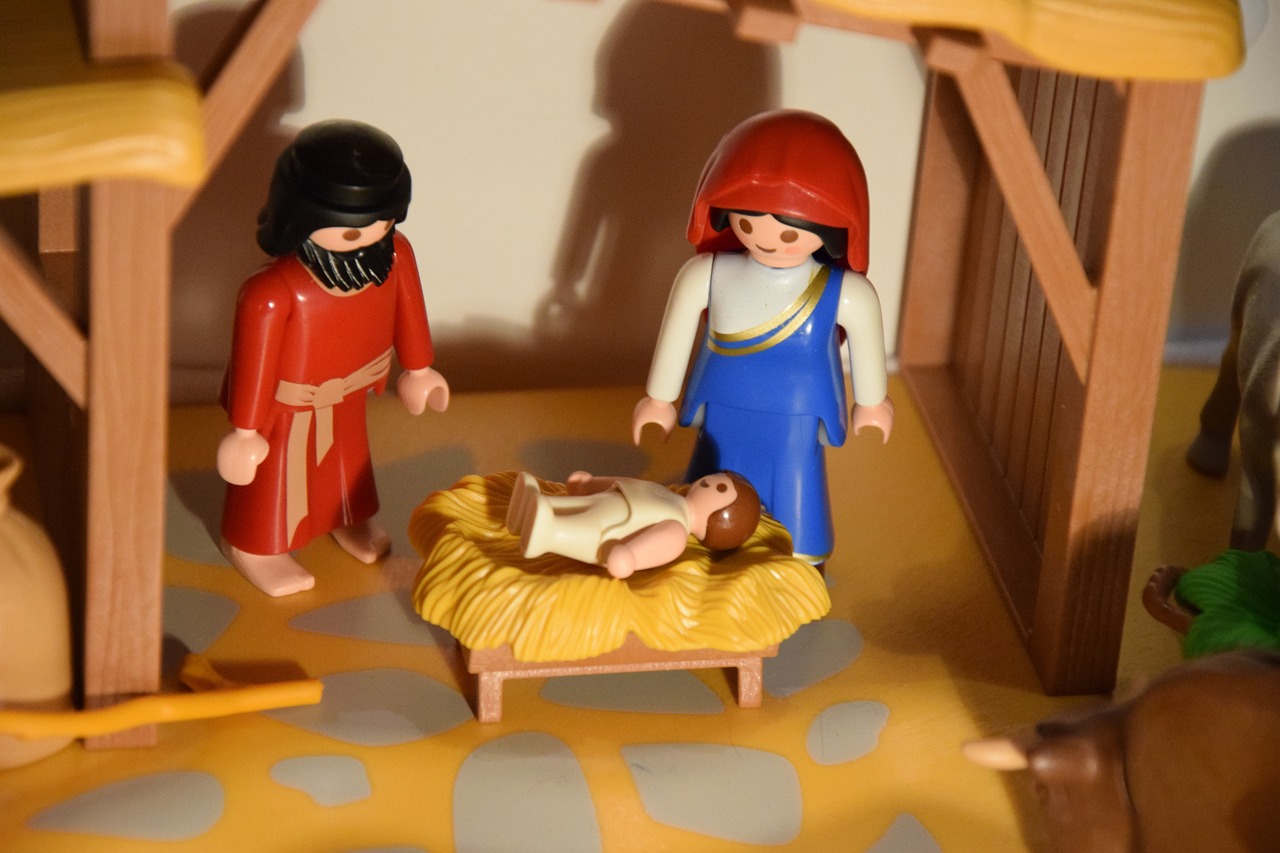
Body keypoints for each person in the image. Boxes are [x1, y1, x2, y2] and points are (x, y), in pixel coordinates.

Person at [632, 110, 892, 563]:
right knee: (711, 476)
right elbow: (676, 333)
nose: (768, 240)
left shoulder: (845, 293)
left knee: (793, 480)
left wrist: (871, 403)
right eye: (748, 224)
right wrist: (659, 398)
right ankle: (699, 540)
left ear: (832, 226)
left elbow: (867, 341)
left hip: (795, 413)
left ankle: (799, 556)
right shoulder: (706, 274)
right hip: (722, 405)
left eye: (789, 232)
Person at [217, 120, 449, 596]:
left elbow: (408, 311)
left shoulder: (395, 256)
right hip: (287, 408)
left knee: (348, 465)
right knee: (276, 476)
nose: (371, 237)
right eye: (351, 231)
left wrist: (419, 368)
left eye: (383, 222)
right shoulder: (272, 292)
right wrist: (244, 430)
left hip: (351, 391)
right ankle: (256, 546)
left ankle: (346, 518)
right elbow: (253, 362)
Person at [505, 471, 760, 579]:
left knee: (579, 531)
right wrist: (590, 484)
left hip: (615, 532)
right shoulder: (669, 495)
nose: (710, 481)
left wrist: (630, 556)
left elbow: (654, 544)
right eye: (717, 478)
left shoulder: (677, 531)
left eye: (720, 488)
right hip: (609, 500)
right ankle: (531, 507)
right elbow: (629, 483)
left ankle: (548, 535)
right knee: (568, 507)